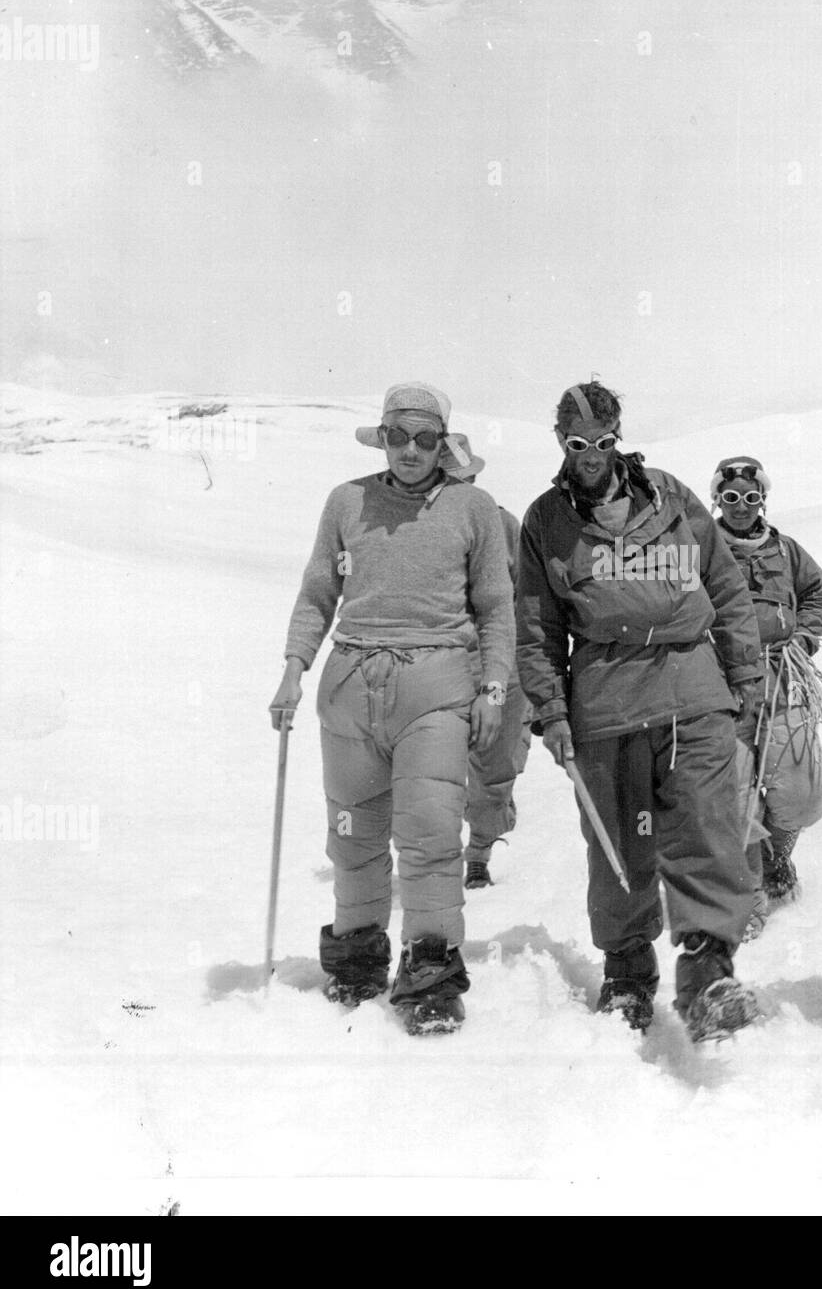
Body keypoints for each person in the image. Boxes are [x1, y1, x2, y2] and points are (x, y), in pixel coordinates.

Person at [515, 379, 765, 1039]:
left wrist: (746, 672)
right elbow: (536, 626)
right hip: (606, 699)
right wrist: (551, 709)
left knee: (707, 830)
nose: (592, 455)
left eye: (602, 442)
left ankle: (709, 973)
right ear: (561, 443)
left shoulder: (673, 497)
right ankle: (627, 975)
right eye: (578, 444)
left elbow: (725, 585)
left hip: (692, 686)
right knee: (620, 844)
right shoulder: (546, 521)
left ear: (617, 439)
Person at [269, 385, 515, 1035]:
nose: (411, 450)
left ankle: (431, 970)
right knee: (352, 833)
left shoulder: (474, 507)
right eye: (398, 436)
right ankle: (355, 958)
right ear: (381, 437)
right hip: (349, 680)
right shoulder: (346, 501)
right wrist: (292, 669)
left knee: (431, 831)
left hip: (436, 683)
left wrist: (493, 688)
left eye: (425, 438)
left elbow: (496, 608)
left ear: (444, 443)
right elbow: (318, 592)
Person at [710, 456, 822, 939]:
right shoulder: (702, 549)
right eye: (730, 497)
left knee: (802, 790)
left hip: (785, 680)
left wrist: (805, 636)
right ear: (717, 499)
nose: (741, 507)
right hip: (722, 687)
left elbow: (819, 596)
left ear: (764, 498)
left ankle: (777, 853)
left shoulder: (787, 550)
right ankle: (750, 892)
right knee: (732, 794)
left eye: (751, 497)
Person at [438, 432, 534, 890]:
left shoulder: (504, 525)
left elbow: (530, 600)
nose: (461, 487)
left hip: (502, 666)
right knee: (434, 766)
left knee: (495, 770)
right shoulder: (419, 531)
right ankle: (433, 857)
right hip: (440, 666)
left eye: (466, 478)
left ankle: (478, 852)